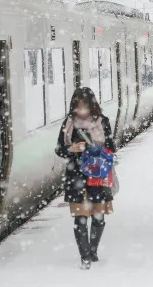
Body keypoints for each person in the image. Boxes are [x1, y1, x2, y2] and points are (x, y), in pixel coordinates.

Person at [56, 87, 116, 270]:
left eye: (85, 107)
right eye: (78, 107)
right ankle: (85, 256)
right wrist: (71, 150)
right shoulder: (68, 123)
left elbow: (112, 147)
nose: (81, 111)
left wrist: (94, 151)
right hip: (76, 177)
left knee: (98, 217)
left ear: (93, 106)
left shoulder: (103, 122)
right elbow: (59, 149)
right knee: (80, 218)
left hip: (97, 176)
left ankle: (93, 250)